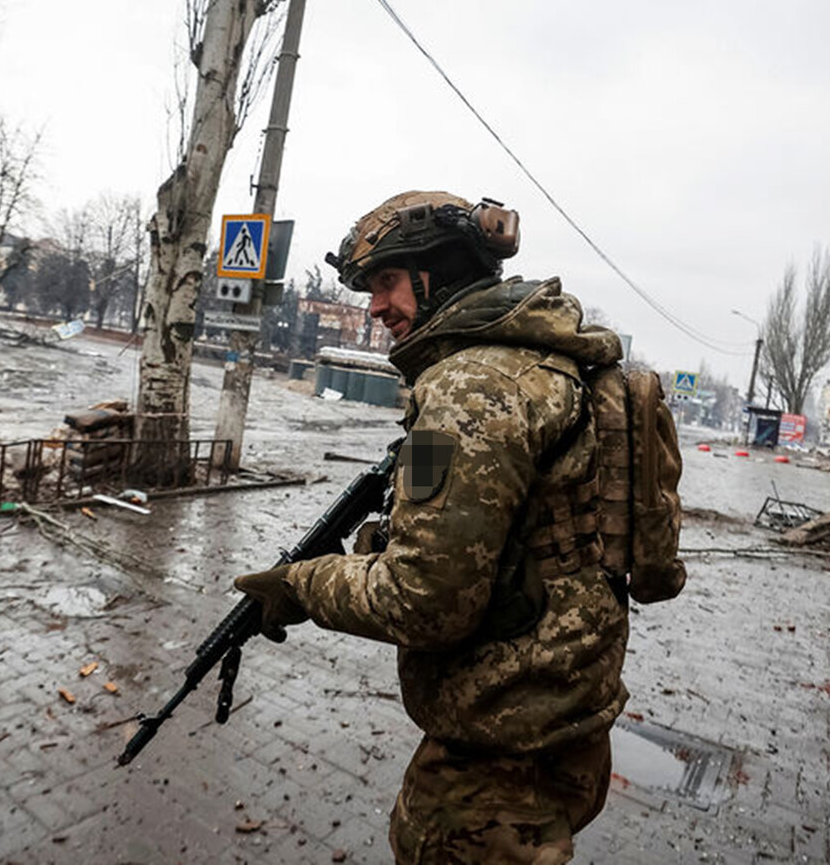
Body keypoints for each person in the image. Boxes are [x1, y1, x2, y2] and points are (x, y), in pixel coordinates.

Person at [235, 190, 629, 864]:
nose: (375, 306)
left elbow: (424, 602)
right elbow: (522, 535)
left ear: (439, 272)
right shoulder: (550, 362)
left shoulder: (466, 389)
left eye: (386, 282)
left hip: (499, 753)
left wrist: (302, 585)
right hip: (566, 713)